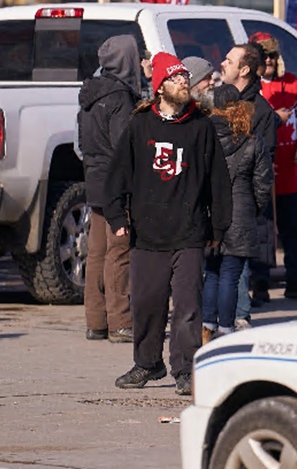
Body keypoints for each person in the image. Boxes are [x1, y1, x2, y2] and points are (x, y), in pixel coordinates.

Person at [104, 53, 232, 396]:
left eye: (185, 79)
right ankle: (148, 363)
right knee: (146, 302)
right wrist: (117, 217)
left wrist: (218, 227)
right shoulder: (139, 126)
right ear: (159, 87)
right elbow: (116, 177)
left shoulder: (201, 127)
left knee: (188, 306)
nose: (183, 83)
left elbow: (218, 181)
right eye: (175, 79)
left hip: (189, 232)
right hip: (147, 233)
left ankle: (185, 368)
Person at [251, 32, 297, 300]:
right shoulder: (252, 87)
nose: (269, 60)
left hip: (292, 171)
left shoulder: (292, 83)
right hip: (264, 171)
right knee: (263, 230)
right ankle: (260, 282)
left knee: (294, 229)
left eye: (273, 55)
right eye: (264, 55)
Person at [77, 34, 140, 344]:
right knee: (120, 253)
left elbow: (81, 144)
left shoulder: (90, 94)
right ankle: (121, 322)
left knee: (97, 253)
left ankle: (96, 321)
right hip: (117, 185)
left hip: (95, 180)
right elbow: (124, 147)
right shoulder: (121, 98)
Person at [202, 86, 273, 342]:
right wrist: (255, 208)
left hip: (211, 213)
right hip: (241, 213)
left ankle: (206, 325)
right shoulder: (252, 141)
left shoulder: (204, 137)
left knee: (211, 272)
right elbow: (263, 184)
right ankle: (227, 328)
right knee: (231, 275)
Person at [219, 42, 277, 306]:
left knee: (236, 269)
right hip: (215, 198)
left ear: (244, 70)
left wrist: (250, 202)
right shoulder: (217, 101)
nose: (223, 63)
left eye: (229, 61)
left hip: (241, 202)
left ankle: (238, 317)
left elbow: (264, 164)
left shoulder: (261, 110)